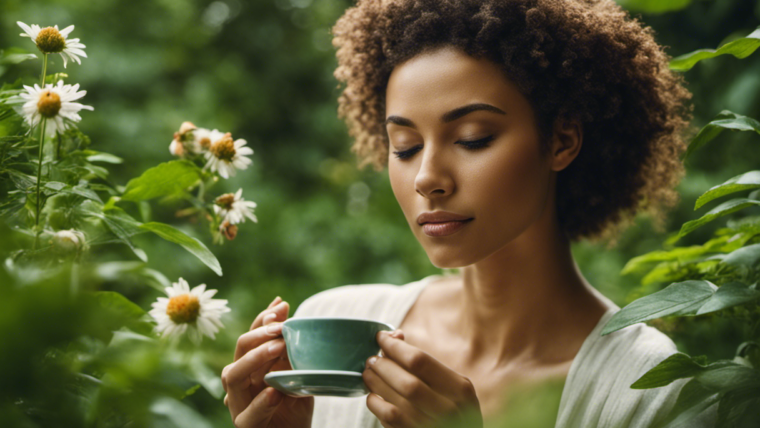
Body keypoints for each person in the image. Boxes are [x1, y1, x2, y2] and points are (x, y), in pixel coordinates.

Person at [222, 0, 718, 427]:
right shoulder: (325, 336)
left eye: (472, 139)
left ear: (562, 139)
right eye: (406, 146)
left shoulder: (653, 388)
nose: (427, 177)